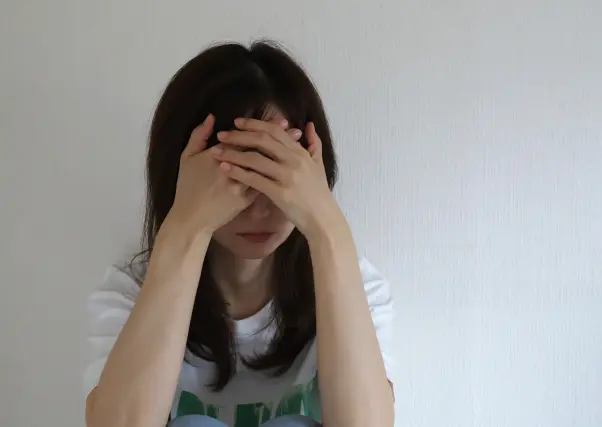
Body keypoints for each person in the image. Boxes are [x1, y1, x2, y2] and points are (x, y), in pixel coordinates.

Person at [83, 40, 394, 427]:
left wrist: (328, 230)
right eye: (237, 176)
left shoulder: (351, 284)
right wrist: (186, 226)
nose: (260, 209)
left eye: (277, 175)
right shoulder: (133, 290)